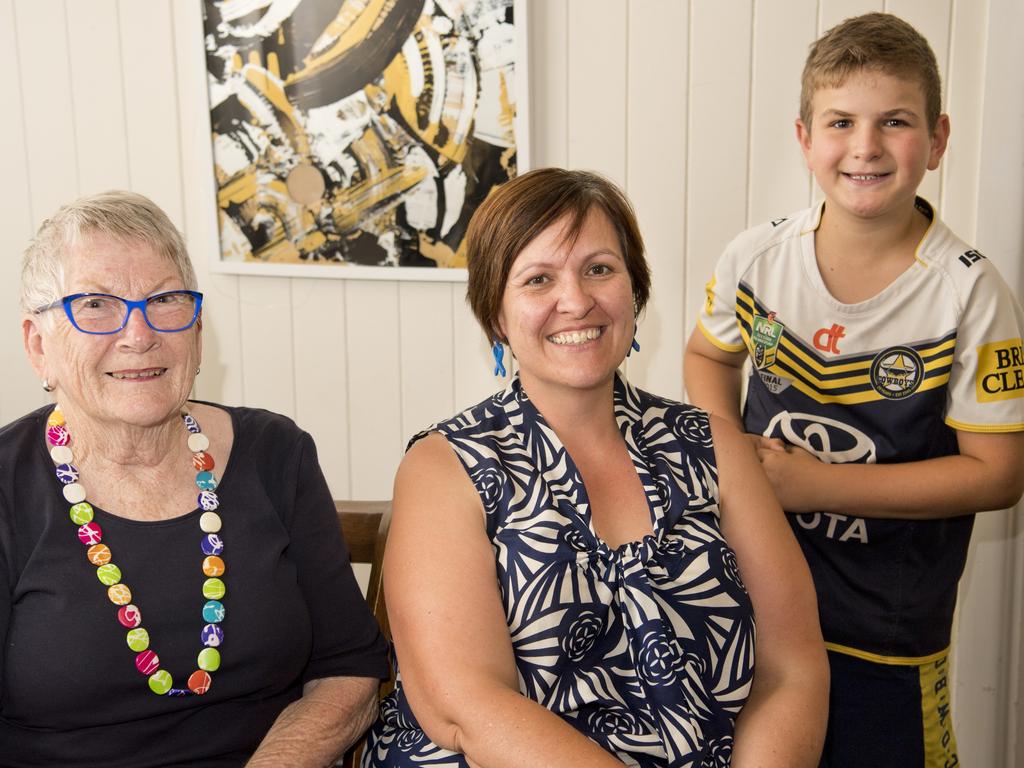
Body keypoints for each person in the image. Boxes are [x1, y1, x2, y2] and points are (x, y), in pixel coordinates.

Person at [362, 168, 828, 767]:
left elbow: (792, 669)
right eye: (537, 279)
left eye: (600, 269)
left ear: (634, 289)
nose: (576, 299)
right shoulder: (445, 467)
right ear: (496, 316)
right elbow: (466, 704)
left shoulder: (717, 447)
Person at [684, 12, 1024, 768]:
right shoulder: (756, 258)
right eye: (841, 121)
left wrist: (815, 485)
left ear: (936, 140)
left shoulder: (971, 296)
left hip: (889, 626)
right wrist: (733, 459)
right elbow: (709, 357)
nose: (865, 146)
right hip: (756, 597)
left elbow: (998, 474)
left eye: (893, 122)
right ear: (805, 139)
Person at [2, 191, 389, 766]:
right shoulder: (8, 484)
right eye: (96, 306)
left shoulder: (276, 453)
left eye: (165, 300)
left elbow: (349, 668)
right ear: (40, 347)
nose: (139, 334)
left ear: (198, 329)